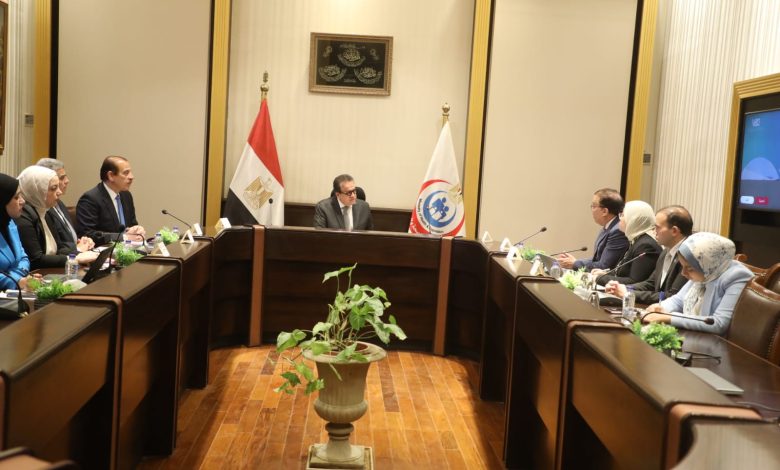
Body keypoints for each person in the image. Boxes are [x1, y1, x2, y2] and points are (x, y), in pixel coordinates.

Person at [641, 232, 753, 335]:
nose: (683, 273)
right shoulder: (706, 270)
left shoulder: (736, 277)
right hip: (695, 336)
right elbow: (678, 300)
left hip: (716, 343)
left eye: (689, 268)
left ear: (707, 264)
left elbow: (718, 323)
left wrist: (669, 317)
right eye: (683, 266)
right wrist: (660, 308)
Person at [605, 205, 692, 304]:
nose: (654, 231)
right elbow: (651, 283)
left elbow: (672, 297)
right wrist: (624, 288)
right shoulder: (666, 252)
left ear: (674, 231)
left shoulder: (689, 257)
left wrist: (628, 293)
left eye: (657, 227)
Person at [16, 166, 98, 270]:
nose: (59, 192)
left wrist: (80, 249)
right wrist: (75, 258)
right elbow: (36, 259)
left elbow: (59, 248)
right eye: (53, 188)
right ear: (36, 190)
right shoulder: (23, 216)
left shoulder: (45, 211)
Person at [76, 156, 145, 245]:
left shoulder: (126, 195)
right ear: (111, 176)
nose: (131, 177)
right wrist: (124, 237)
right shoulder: (90, 199)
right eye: (126, 173)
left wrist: (137, 230)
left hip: (128, 249)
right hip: (104, 251)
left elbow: (132, 224)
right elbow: (87, 234)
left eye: (130, 172)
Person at [556, 188, 628, 270]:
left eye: (593, 206)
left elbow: (604, 266)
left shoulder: (618, 231)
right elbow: (597, 259)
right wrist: (575, 262)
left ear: (605, 211)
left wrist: (575, 263)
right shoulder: (608, 227)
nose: (592, 210)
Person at [592, 200, 661, 286]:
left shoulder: (646, 245)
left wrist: (600, 279)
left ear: (634, 220)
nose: (620, 218)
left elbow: (634, 281)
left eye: (623, 215)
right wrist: (605, 273)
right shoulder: (637, 239)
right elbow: (624, 271)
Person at [37, 157, 94, 253]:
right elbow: (57, 245)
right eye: (62, 178)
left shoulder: (59, 203)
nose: (67, 181)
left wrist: (82, 242)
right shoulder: (44, 209)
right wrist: (76, 248)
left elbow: (69, 236)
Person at [0, 173, 32, 290]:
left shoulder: (10, 223)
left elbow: (23, 258)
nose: (22, 201)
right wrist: (17, 281)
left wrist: (19, 278)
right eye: (16, 197)